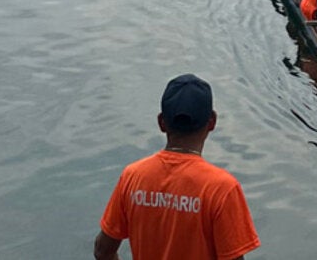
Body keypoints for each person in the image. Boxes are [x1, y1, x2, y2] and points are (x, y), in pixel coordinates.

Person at [95, 74, 261, 260]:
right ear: (212, 122)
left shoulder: (133, 177)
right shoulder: (222, 188)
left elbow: (103, 251)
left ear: (161, 122)